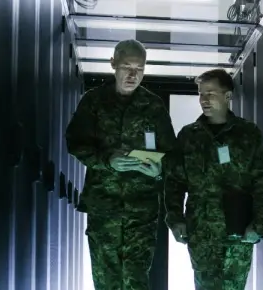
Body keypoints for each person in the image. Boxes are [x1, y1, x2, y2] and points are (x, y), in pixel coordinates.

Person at [66, 39, 176, 290]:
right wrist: (107, 161)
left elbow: (171, 154)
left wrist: (160, 170)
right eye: (127, 66)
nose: (133, 74)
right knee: (106, 279)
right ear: (113, 64)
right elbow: (75, 143)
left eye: (139, 68)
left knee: (137, 280)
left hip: (142, 209)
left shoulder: (153, 106)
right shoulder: (93, 101)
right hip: (104, 207)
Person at [163, 68, 263, 290]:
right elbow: (174, 182)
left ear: (228, 96)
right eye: (201, 94)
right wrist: (175, 220)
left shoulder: (248, 134)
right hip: (201, 230)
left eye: (211, 93)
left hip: (238, 230)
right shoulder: (188, 136)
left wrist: (260, 224)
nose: (204, 100)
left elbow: (262, 182)